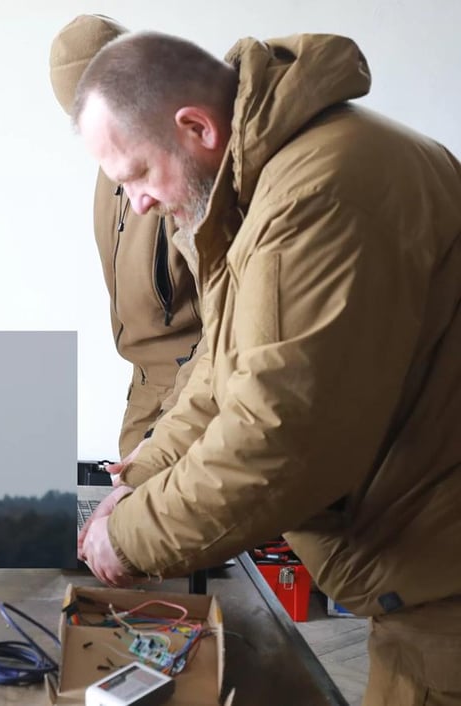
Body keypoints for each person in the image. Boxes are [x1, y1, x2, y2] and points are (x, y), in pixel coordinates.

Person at [73, 30, 461, 705]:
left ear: (195, 127)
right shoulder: (268, 187)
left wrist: (129, 537)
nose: (135, 205)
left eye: (135, 176)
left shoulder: (319, 196)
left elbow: (279, 439)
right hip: (423, 567)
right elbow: (223, 375)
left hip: (443, 582)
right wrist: (139, 476)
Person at [49, 15, 202, 458]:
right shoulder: (110, 166)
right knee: (115, 512)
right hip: (143, 383)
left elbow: (230, 328)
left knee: (159, 518)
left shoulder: (188, 170)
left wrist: (169, 431)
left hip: (194, 385)